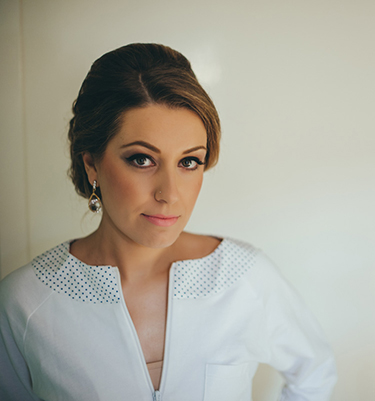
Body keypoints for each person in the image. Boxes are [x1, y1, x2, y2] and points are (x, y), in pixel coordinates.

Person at [0, 43, 336, 401]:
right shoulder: (25, 302)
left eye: (189, 162)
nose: (170, 194)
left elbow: (314, 374)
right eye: (142, 159)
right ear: (92, 164)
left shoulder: (245, 278)